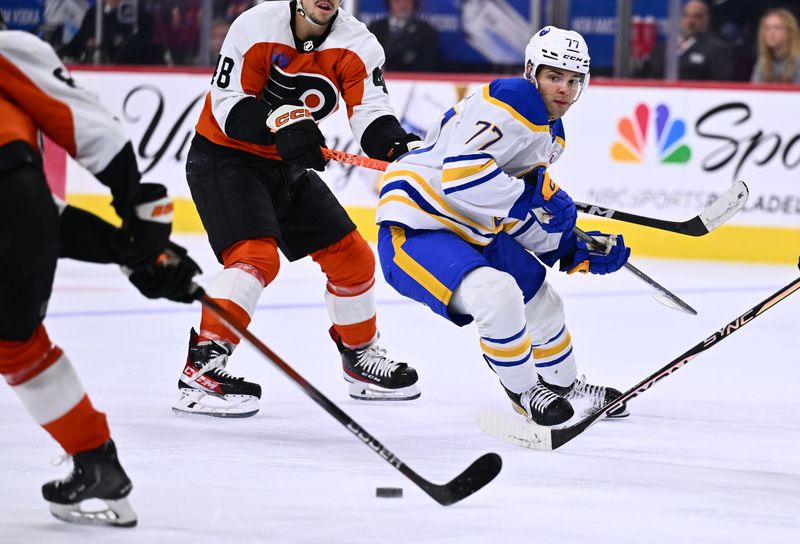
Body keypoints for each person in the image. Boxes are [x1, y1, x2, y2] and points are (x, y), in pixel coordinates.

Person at [174, 0, 424, 417]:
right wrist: (283, 120)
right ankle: (202, 370)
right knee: (254, 257)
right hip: (224, 159)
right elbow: (228, 104)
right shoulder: (255, 25)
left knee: (353, 259)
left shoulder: (358, 44)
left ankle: (359, 360)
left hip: (283, 168)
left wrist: (402, 149)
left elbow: (372, 115)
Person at [375, 26, 631, 426]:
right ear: (531, 72)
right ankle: (526, 391)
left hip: (476, 230)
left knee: (542, 302)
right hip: (419, 227)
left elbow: (511, 211)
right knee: (497, 294)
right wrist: (532, 196)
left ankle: (565, 387)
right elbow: (462, 178)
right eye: (554, 76)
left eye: (573, 80)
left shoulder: (551, 134)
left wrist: (566, 246)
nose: (564, 89)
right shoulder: (513, 99)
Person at [0, 23, 200, 526]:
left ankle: (96, 462)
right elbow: (81, 139)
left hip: (14, 201)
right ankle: (96, 464)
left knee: (16, 343)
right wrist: (135, 244)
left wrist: (135, 237)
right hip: (17, 201)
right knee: (17, 343)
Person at [638, 0, 733, 81]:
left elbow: (718, 83)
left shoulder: (716, 49)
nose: (690, 21)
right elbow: (646, 74)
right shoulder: (662, 47)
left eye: (697, 17)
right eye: (686, 15)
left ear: (706, 19)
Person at [59, 0, 164, 64]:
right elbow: (76, 45)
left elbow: (136, 53)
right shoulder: (93, 14)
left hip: (121, 79)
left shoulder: (140, 17)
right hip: (90, 78)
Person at [368, 0, 440, 72]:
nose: (403, 6)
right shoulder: (375, 28)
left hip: (409, 80)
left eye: (407, 1)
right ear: (389, 3)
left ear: (414, 3)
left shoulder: (426, 32)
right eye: (397, 1)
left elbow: (426, 67)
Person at [752, 8, 800, 83]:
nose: (771, 33)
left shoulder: (798, 59)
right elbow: (755, 90)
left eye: (777, 28)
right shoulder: (763, 60)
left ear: (790, 32)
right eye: (767, 28)